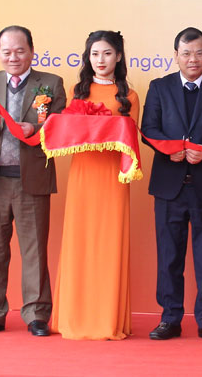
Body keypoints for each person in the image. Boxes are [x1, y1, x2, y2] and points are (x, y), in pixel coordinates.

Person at [0, 25, 66, 337]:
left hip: (31, 177)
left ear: (32, 51)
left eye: (20, 51)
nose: (13, 57)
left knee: (34, 250)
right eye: (6, 52)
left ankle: (36, 315)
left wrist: (36, 129)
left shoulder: (50, 83)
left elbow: (61, 125)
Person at [141, 27, 202, 342]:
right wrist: (171, 149)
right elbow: (149, 128)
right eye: (186, 53)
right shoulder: (159, 87)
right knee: (169, 256)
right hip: (170, 185)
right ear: (176, 56)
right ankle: (170, 318)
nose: (193, 59)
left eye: (199, 53)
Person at [52, 30, 140, 340]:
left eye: (107, 53)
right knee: (81, 241)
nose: (100, 60)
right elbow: (66, 132)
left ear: (119, 56)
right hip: (83, 174)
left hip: (114, 177)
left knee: (108, 242)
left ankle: (106, 319)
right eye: (94, 54)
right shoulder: (77, 91)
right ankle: (74, 316)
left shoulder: (129, 96)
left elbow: (130, 138)